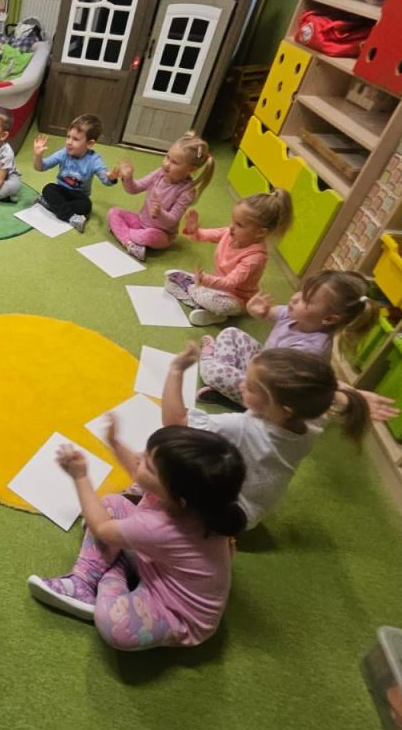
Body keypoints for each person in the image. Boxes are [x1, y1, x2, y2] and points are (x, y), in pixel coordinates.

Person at [28, 419, 246, 650]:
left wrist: (80, 477)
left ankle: (105, 572)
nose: (138, 458)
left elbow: (101, 528)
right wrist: (114, 442)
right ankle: (89, 578)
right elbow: (138, 471)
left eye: (149, 465)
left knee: (115, 625)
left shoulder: (160, 527)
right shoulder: (202, 505)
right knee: (112, 503)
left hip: (173, 611)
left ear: (178, 497)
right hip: (160, 566)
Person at [163, 343, 370, 530]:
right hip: (255, 508)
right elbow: (326, 392)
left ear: (284, 410)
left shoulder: (245, 427)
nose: (241, 385)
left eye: (251, 387)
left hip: (229, 514)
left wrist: (176, 371)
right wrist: (352, 397)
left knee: (164, 461)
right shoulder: (312, 419)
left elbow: (176, 423)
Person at [198, 270, 378, 407]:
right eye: (301, 291)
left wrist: (246, 376)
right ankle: (227, 386)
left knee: (213, 373)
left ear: (329, 319)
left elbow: (278, 382)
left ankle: (211, 363)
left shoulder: (310, 349)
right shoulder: (297, 315)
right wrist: (257, 310)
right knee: (231, 333)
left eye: (306, 299)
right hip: (263, 366)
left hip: (270, 392)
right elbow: (269, 314)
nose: (294, 298)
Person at [164, 188, 293, 326]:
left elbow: (230, 283)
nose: (231, 227)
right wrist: (194, 231)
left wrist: (205, 280)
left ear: (260, 233)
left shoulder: (255, 258)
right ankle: (203, 305)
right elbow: (203, 236)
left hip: (236, 298)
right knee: (171, 277)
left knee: (219, 304)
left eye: (239, 225)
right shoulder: (230, 233)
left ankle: (199, 297)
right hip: (215, 286)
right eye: (233, 221)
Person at [108, 132, 214, 260]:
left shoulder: (187, 191)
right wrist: (128, 178)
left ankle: (122, 233)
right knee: (114, 212)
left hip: (162, 234)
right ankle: (130, 243)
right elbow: (134, 189)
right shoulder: (160, 173)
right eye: (167, 157)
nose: (166, 164)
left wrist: (160, 213)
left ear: (190, 169)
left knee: (149, 236)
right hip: (141, 222)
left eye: (174, 162)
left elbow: (173, 220)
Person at [32, 114, 116, 233]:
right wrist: (38, 155)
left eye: (75, 139)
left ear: (89, 143)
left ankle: (50, 205)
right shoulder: (63, 153)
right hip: (61, 190)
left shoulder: (94, 160)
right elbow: (41, 167)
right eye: (68, 137)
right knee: (48, 188)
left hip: (79, 196)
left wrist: (111, 177)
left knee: (86, 206)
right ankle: (71, 217)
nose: (69, 142)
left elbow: (106, 181)